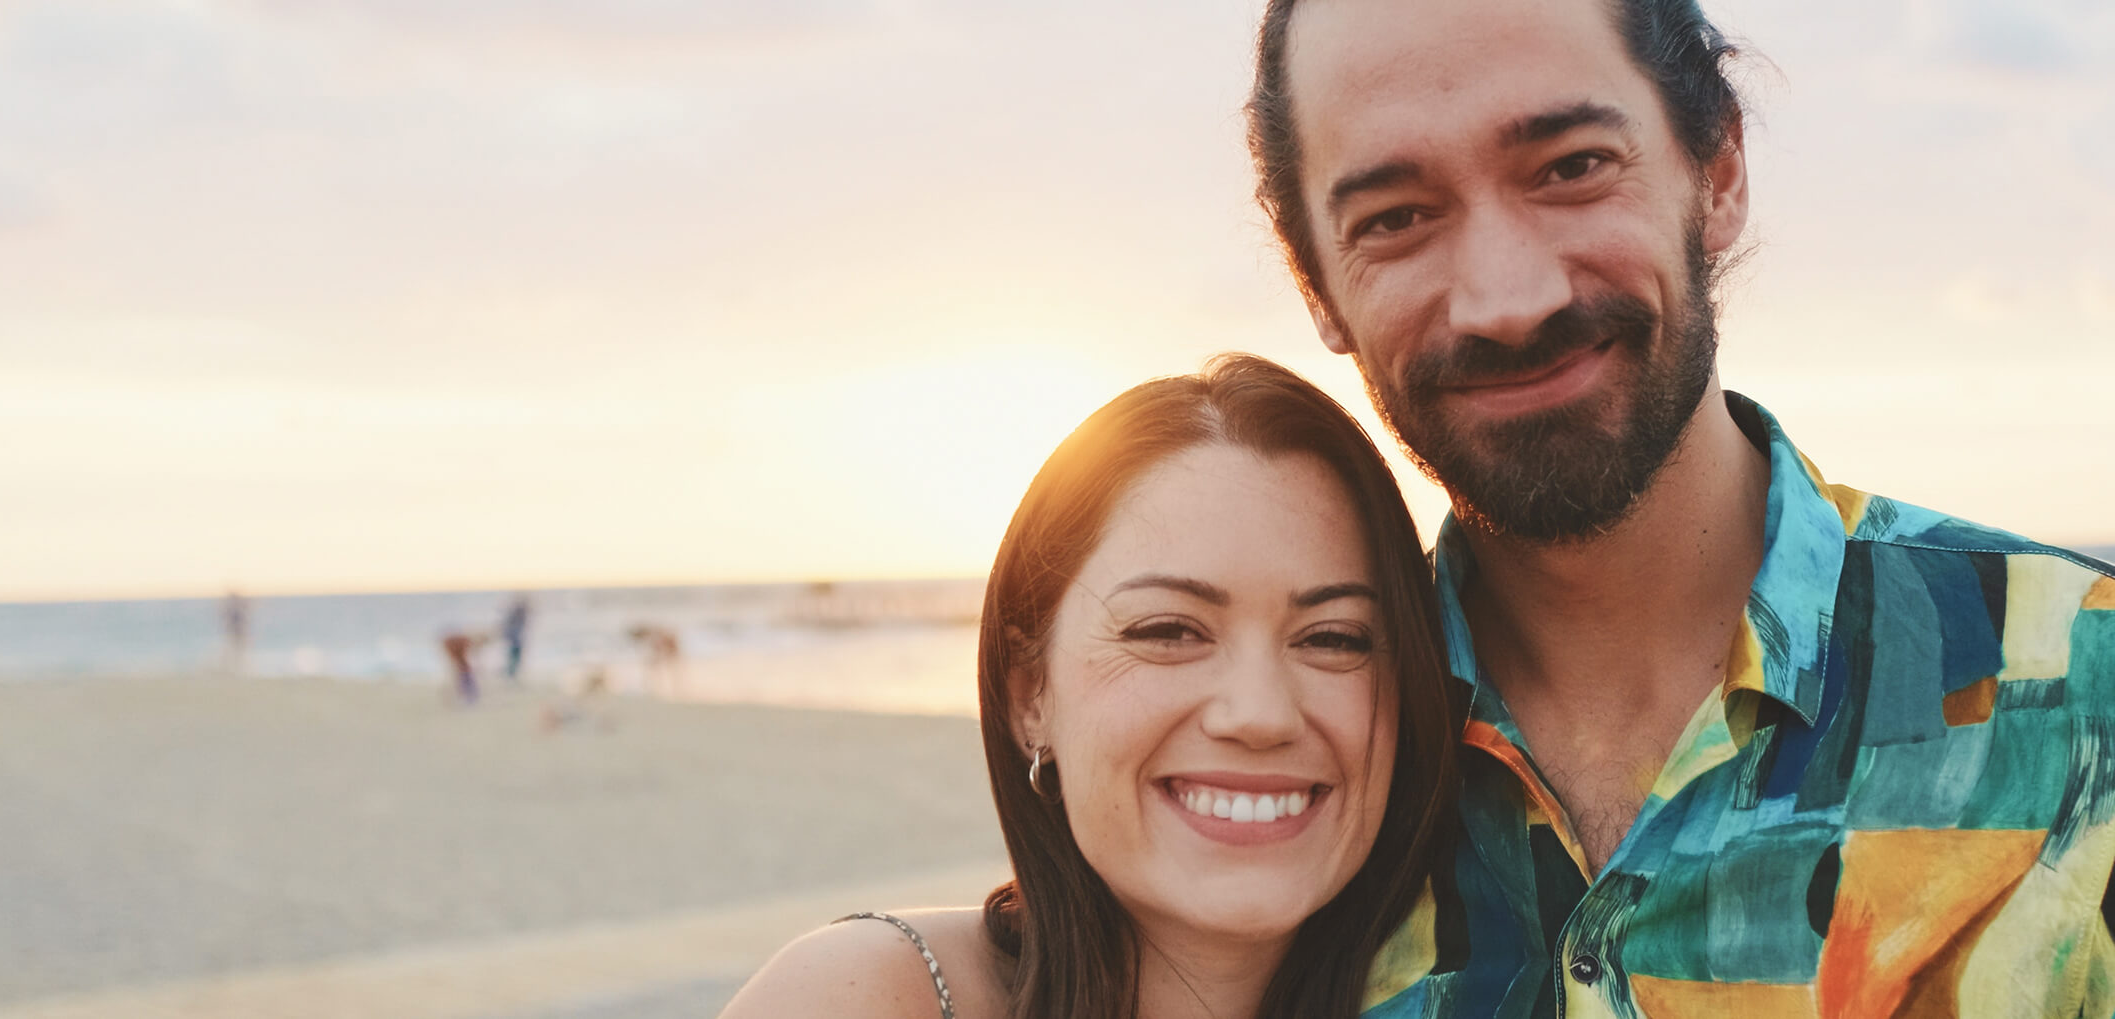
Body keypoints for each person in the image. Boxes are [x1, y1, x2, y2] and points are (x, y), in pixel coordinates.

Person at [1243, 0, 2115, 1014]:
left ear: (1720, 174)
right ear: (1313, 279)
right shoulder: (1289, 770)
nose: (1506, 297)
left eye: (1570, 165)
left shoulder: (2085, 682)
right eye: (1393, 218)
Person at [721, 355, 1463, 1018]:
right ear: (1028, 695)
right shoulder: (864, 996)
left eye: (1334, 638)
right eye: (1169, 631)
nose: (1261, 712)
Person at [500, 593, 531, 683]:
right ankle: (511, 676)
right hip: (515, 641)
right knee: (513, 659)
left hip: (516, 641)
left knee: (514, 659)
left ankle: (512, 675)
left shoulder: (517, 618)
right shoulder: (515, 618)